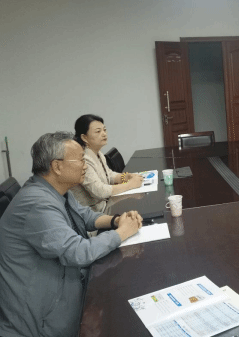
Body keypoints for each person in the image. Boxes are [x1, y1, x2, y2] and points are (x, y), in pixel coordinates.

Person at [0, 132, 142, 337]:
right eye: (80, 160)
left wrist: (116, 221)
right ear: (57, 167)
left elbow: (84, 215)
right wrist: (122, 233)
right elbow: (77, 252)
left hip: (63, 290)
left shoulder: (57, 190)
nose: (85, 165)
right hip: (39, 320)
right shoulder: (36, 203)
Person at [71, 114, 143, 212]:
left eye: (104, 130)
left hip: (107, 204)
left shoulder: (98, 153)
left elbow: (109, 174)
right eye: (98, 131)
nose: (104, 134)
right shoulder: (83, 159)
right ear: (84, 137)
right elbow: (99, 191)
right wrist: (130, 185)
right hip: (95, 213)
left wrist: (125, 177)